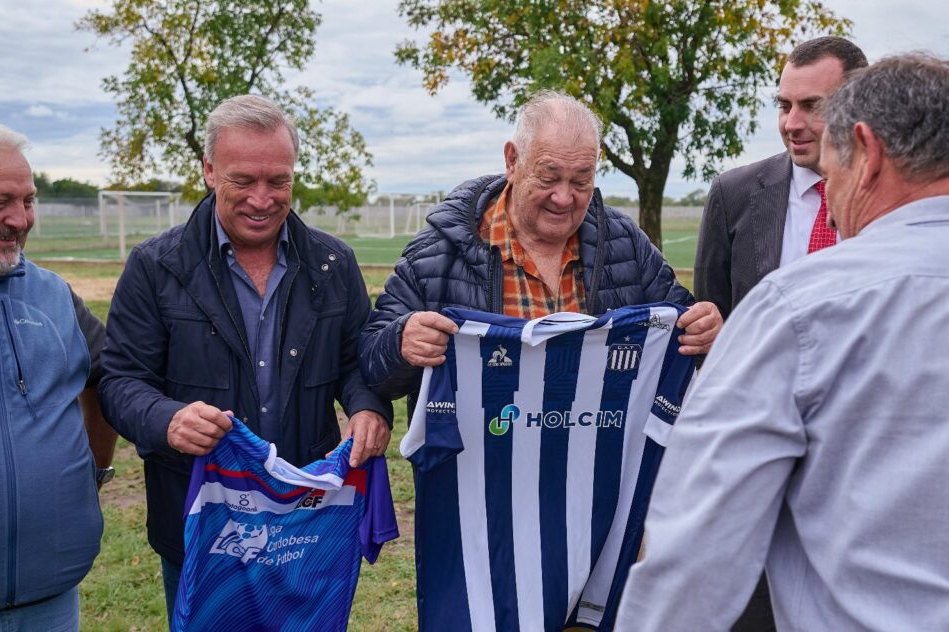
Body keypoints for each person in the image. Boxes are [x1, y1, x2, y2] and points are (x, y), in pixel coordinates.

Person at [616, 53, 949, 631]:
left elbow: (696, 552)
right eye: (784, 105)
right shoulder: (740, 200)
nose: (830, 205)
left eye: (834, 161)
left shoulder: (792, 307)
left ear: (865, 151)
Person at [99, 94, 394, 617]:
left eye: (278, 181)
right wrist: (168, 419)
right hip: (201, 521)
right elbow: (120, 380)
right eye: (243, 180)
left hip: (305, 518)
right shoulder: (155, 266)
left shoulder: (334, 262)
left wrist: (367, 408)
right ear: (210, 171)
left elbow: (356, 362)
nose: (262, 199)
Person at [359, 90, 721, 408]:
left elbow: (681, 328)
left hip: (598, 460)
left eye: (581, 180)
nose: (564, 197)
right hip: (479, 463)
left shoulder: (624, 241)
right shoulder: (440, 249)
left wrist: (704, 330)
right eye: (549, 177)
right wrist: (401, 342)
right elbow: (373, 366)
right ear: (512, 161)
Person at [0, 118, 115, 628]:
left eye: (28, 200)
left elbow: (105, 378)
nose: (20, 219)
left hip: (50, 601)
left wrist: (93, 471)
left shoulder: (52, 295)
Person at [695, 37, 868, 320]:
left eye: (812, 106)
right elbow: (710, 319)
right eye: (785, 106)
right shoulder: (732, 194)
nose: (791, 124)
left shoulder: (895, 197)